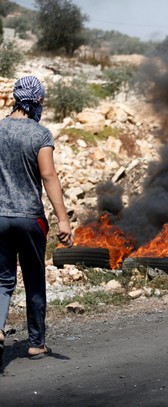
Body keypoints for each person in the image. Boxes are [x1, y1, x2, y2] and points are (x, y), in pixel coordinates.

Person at [0, 76, 73, 364]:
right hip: (30, 219)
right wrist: (64, 220)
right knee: (33, 278)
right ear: (38, 101)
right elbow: (48, 176)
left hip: (0, 217)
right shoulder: (40, 135)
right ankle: (36, 343)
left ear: (16, 98)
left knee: (2, 280)